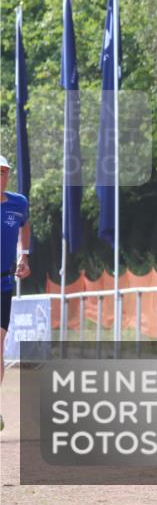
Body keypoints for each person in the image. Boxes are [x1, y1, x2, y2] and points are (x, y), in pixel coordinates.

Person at [1, 155, 31, 432]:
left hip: (3, 284)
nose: (1, 177)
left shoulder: (18, 203)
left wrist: (25, 254)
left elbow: (25, 225)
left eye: (5, 172)